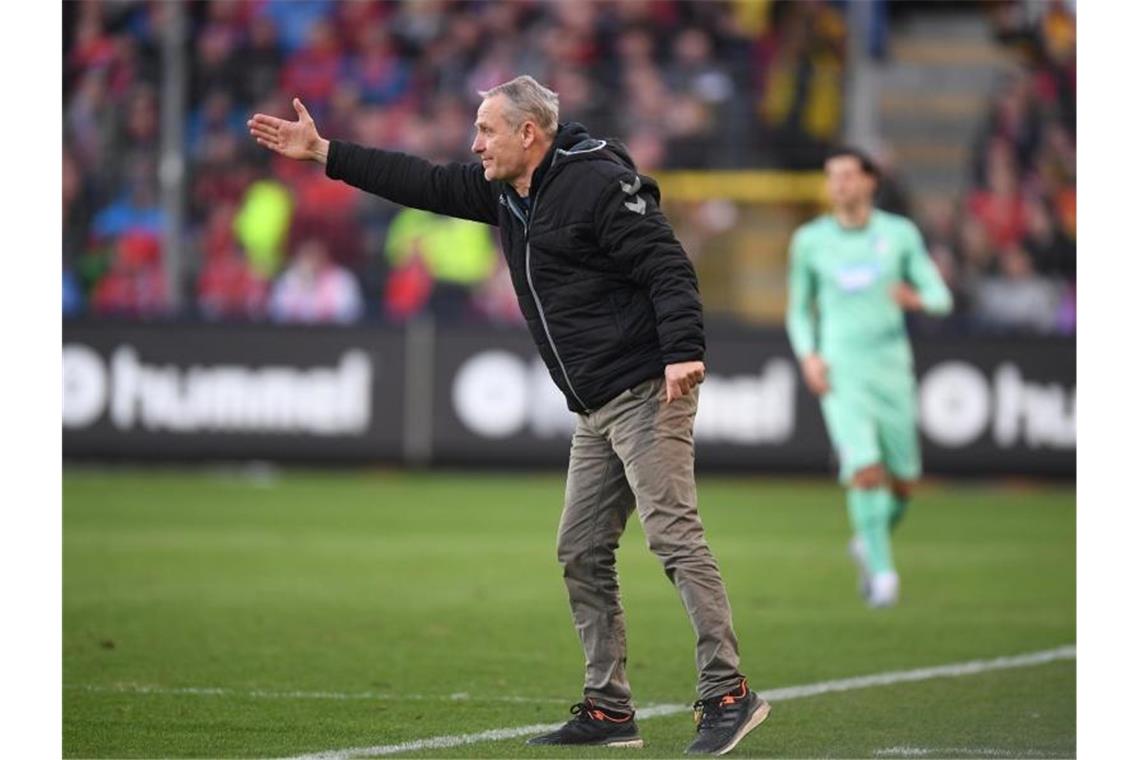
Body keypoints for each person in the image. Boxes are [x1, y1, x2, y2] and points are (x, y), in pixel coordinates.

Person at [248, 75, 769, 755]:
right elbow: (423, 182)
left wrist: (682, 352)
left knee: (673, 538)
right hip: (595, 408)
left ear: (530, 133)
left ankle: (728, 693)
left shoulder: (595, 184)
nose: (476, 143)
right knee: (580, 549)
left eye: (487, 130)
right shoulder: (507, 190)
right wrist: (325, 152)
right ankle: (610, 711)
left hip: (646, 390)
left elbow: (668, 265)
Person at [785, 147, 952, 608]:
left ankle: (868, 537)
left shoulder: (898, 235)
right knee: (864, 470)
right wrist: (809, 357)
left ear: (869, 182)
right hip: (842, 369)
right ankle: (883, 577)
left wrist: (917, 298)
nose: (838, 184)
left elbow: (940, 296)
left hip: (891, 369)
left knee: (903, 483)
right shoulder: (810, 241)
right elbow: (799, 311)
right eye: (831, 175)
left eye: (848, 175)